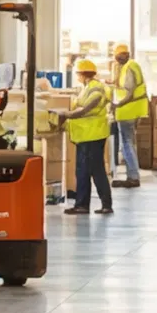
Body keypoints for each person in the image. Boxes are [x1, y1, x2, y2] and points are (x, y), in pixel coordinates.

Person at [61, 58, 116, 216]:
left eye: (78, 73)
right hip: (85, 136)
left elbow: (85, 109)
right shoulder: (86, 87)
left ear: (83, 74)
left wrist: (66, 114)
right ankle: (82, 205)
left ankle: (106, 204)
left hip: (92, 135)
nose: (77, 76)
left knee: (96, 170)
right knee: (83, 172)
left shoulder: (95, 88)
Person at [109, 42, 151, 188]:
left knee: (126, 144)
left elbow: (129, 92)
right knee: (129, 143)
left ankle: (133, 177)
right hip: (132, 109)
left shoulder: (129, 67)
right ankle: (132, 175)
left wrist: (117, 105)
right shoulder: (129, 66)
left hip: (128, 110)